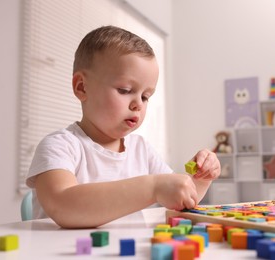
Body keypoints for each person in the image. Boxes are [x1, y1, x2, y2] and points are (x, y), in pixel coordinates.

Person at [25, 25, 221, 229]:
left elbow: (180, 199)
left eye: (146, 96)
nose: (138, 104)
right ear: (82, 87)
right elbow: (62, 205)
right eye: (125, 90)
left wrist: (200, 179)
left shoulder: (141, 150)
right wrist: (153, 187)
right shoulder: (60, 146)